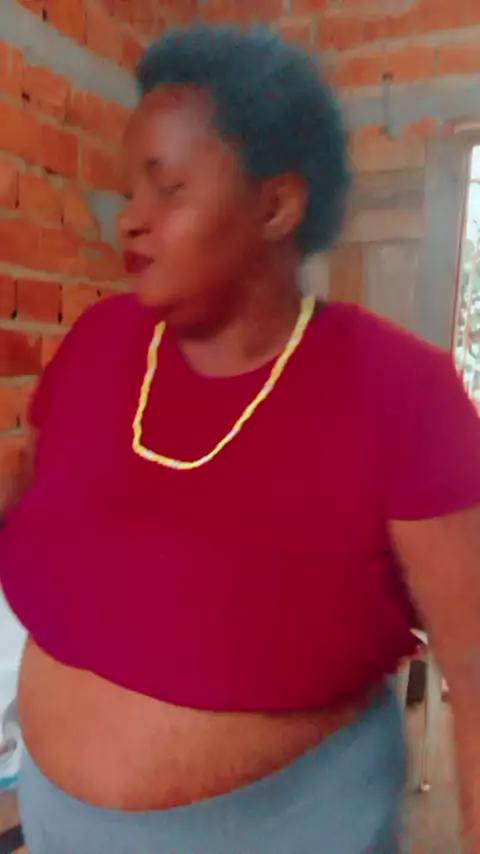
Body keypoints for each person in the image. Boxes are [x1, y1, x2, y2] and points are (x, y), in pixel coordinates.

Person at [1, 23, 480, 854]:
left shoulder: (401, 391)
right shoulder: (97, 344)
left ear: (276, 205)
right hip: (53, 826)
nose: (130, 220)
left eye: (168, 188)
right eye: (129, 191)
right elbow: (35, 485)